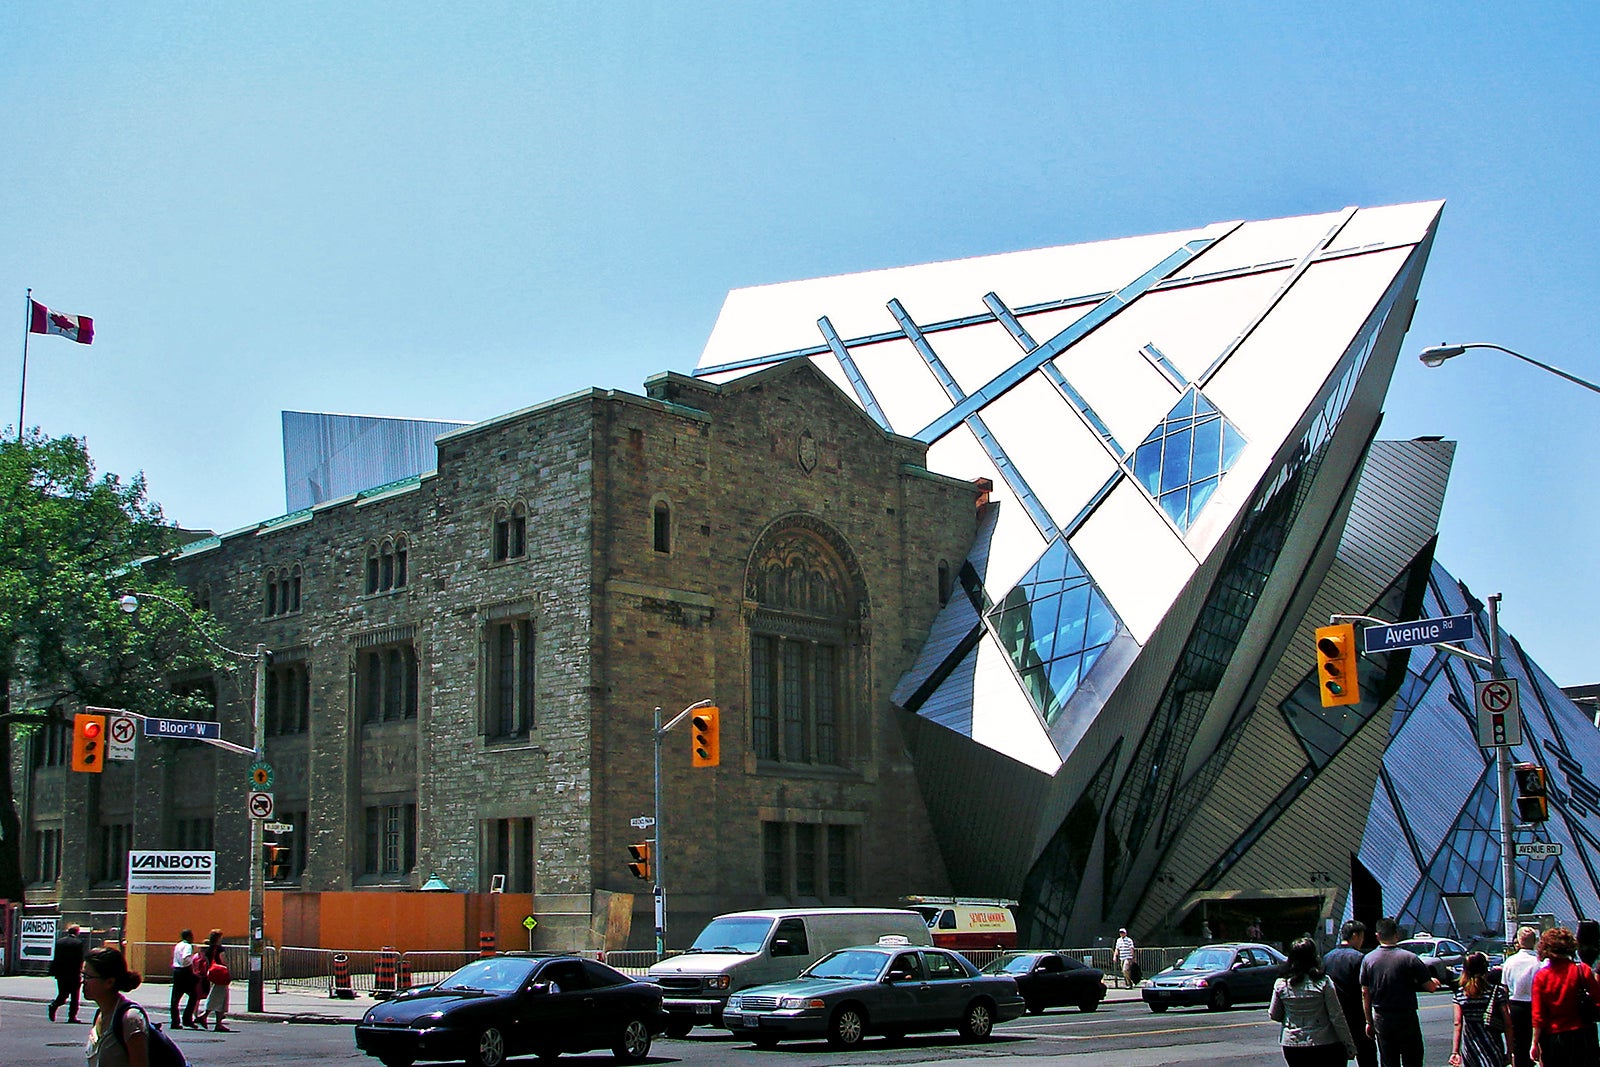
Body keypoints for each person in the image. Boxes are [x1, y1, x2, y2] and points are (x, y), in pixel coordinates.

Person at [1361, 916, 1441, 1067]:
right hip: (1406, 1017)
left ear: (1377, 935)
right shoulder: (1410, 958)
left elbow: (1365, 992)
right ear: (1396, 934)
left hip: (1382, 1017)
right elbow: (1430, 987)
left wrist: (1369, 1022)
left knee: (1388, 1060)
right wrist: (1434, 982)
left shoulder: (1368, 960)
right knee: (1413, 1058)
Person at [1269, 936, 1358, 1065]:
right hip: (1324, 1042)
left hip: (1292, 1043)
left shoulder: (1281, 984)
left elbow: (1274, 1014)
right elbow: (1336, 1016)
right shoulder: (1323, 982)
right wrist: (1349, 1044)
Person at [1530, 926, 1599, 1067]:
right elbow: (1598, 999)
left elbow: (1538, 1015)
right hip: (1583, 1033)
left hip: (1554, 1036)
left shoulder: (1542, 977)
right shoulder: (1582, 970)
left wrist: (1534, 1042)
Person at [82, 945, 149, 1067]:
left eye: (88, 977)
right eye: (83, 975)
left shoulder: (130, 1019)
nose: (83, 981)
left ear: (109, 982)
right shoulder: (100, 1014)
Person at [1325, 920, 1378, 1067]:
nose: (1362, 941)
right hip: (1356, 1016)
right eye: (1361, 937)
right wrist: (1369, 1020)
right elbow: (1365, 991)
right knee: (1367, 1057)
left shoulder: (1327, 958)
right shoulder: (1359, 958)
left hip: (1334, 1016)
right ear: (1355, 936)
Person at [1451, 952, 1511, 1067]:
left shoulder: (1460, 994)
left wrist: (1455, 1052)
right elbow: (1508, 1022)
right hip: (1492, 1044)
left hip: (1470, 1046)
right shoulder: (1497, 992)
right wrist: (1510, 1050)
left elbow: (1457, 1023)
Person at [1499, 925, 1541, 1067]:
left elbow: (1504, 987)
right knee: (1539, 1042)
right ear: (1534, 941)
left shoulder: (1510, 962)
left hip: (1516, 1005)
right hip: (1536, 1004)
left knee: (1519, 1045)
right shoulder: (1539, 961)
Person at [194, 929, 232, 1032]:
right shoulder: (219, 949)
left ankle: (218, 1023)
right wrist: (227, 968)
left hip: (211, 974)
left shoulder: (208, 948)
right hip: (220, 975)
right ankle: (205, 1016)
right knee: (218, 999)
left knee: (219, 999)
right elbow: (223, 960)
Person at [49, 922, 86, 1023]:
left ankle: (54, 1005)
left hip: (61, 973)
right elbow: (79, 959)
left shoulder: (59, 942)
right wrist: (82, 971)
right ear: (77, 932)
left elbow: (56, 957)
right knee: (75, 996)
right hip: (73, 973)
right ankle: (72, 1016)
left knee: (62, 994)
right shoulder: (78, 943)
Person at [168, 929, 197, 1030]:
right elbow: (186, 958)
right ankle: (187, 1018)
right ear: (189, 937)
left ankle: (175, 1021)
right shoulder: (188, 946)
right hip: (185, 971)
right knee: (193, 995)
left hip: (176, 971)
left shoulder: (178, 945)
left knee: (175, 998)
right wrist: (191, 965)